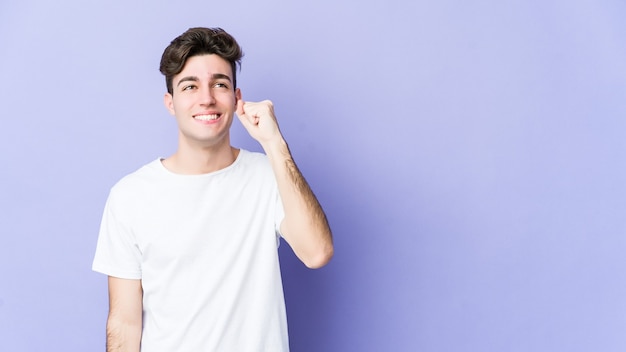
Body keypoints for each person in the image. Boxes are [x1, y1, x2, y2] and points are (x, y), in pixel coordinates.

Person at [92, 27, 334, 352]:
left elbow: (317, 253)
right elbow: (124, 322)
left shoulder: (269, 176)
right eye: (189, 86)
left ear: (236, 99)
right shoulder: (130, 196)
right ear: (170, 102)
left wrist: (275, 144)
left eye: (219, 84)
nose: (206, 98)